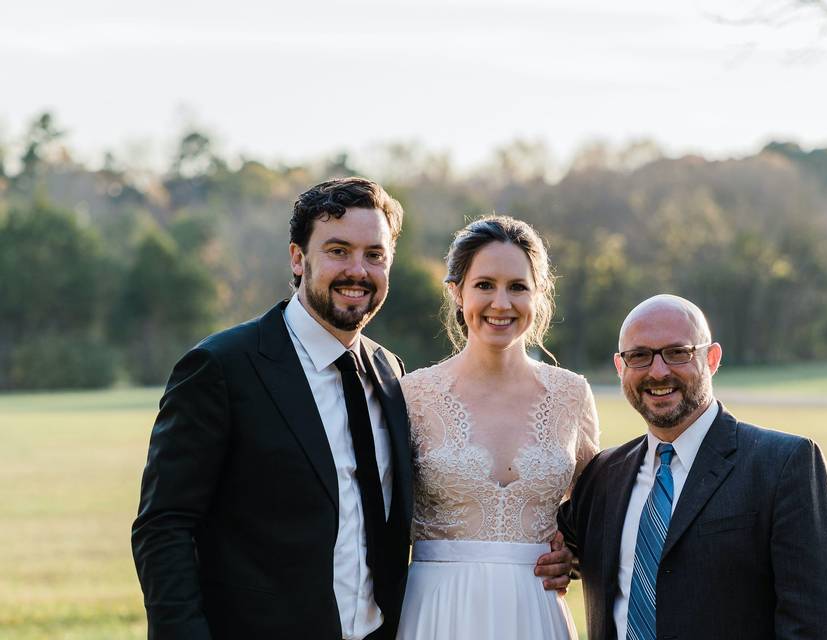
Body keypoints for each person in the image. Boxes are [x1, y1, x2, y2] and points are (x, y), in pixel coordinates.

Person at [131, 178, 572, 640]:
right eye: (338, 251)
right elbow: (164, 526)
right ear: (298, 258)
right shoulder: (224, 367)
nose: (357, 270)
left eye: (374, 255)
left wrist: (565, 547)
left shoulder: (389, 374)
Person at [559, 294, 827, 640]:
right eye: (639, 356)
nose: (658, 371)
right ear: (621, 367)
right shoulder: (603, 474)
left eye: (677, 352)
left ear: (711, 358)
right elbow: (547, 545)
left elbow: (815, 626)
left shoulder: (785, 464)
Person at [396, 216, 601, 640]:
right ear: (457, 291)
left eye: (518, 287)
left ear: (539, 294)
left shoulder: (572, 395)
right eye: (484, 284)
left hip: (536, 610)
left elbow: (593, 514)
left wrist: (572, 556)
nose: (501, 303)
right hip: (438, 611)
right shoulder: (411, 395)